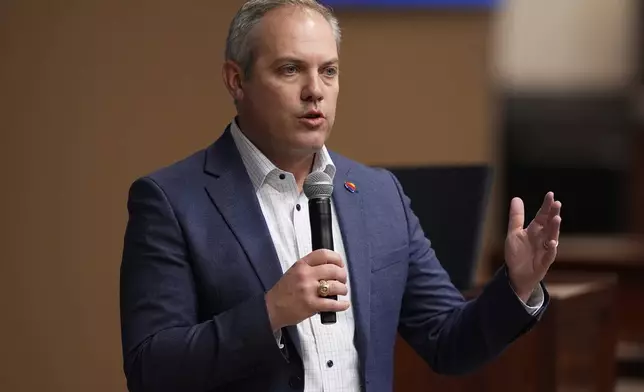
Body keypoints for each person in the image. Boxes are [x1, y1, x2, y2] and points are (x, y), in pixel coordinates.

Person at [119, 1, 562, 391]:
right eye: (290, 69)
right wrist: (270, 312)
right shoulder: (172, 201)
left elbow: (448, 341)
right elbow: (151, 369)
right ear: (237, 80)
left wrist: (517, 286)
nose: (315, 90)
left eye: (328, 71)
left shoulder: (379, 194)